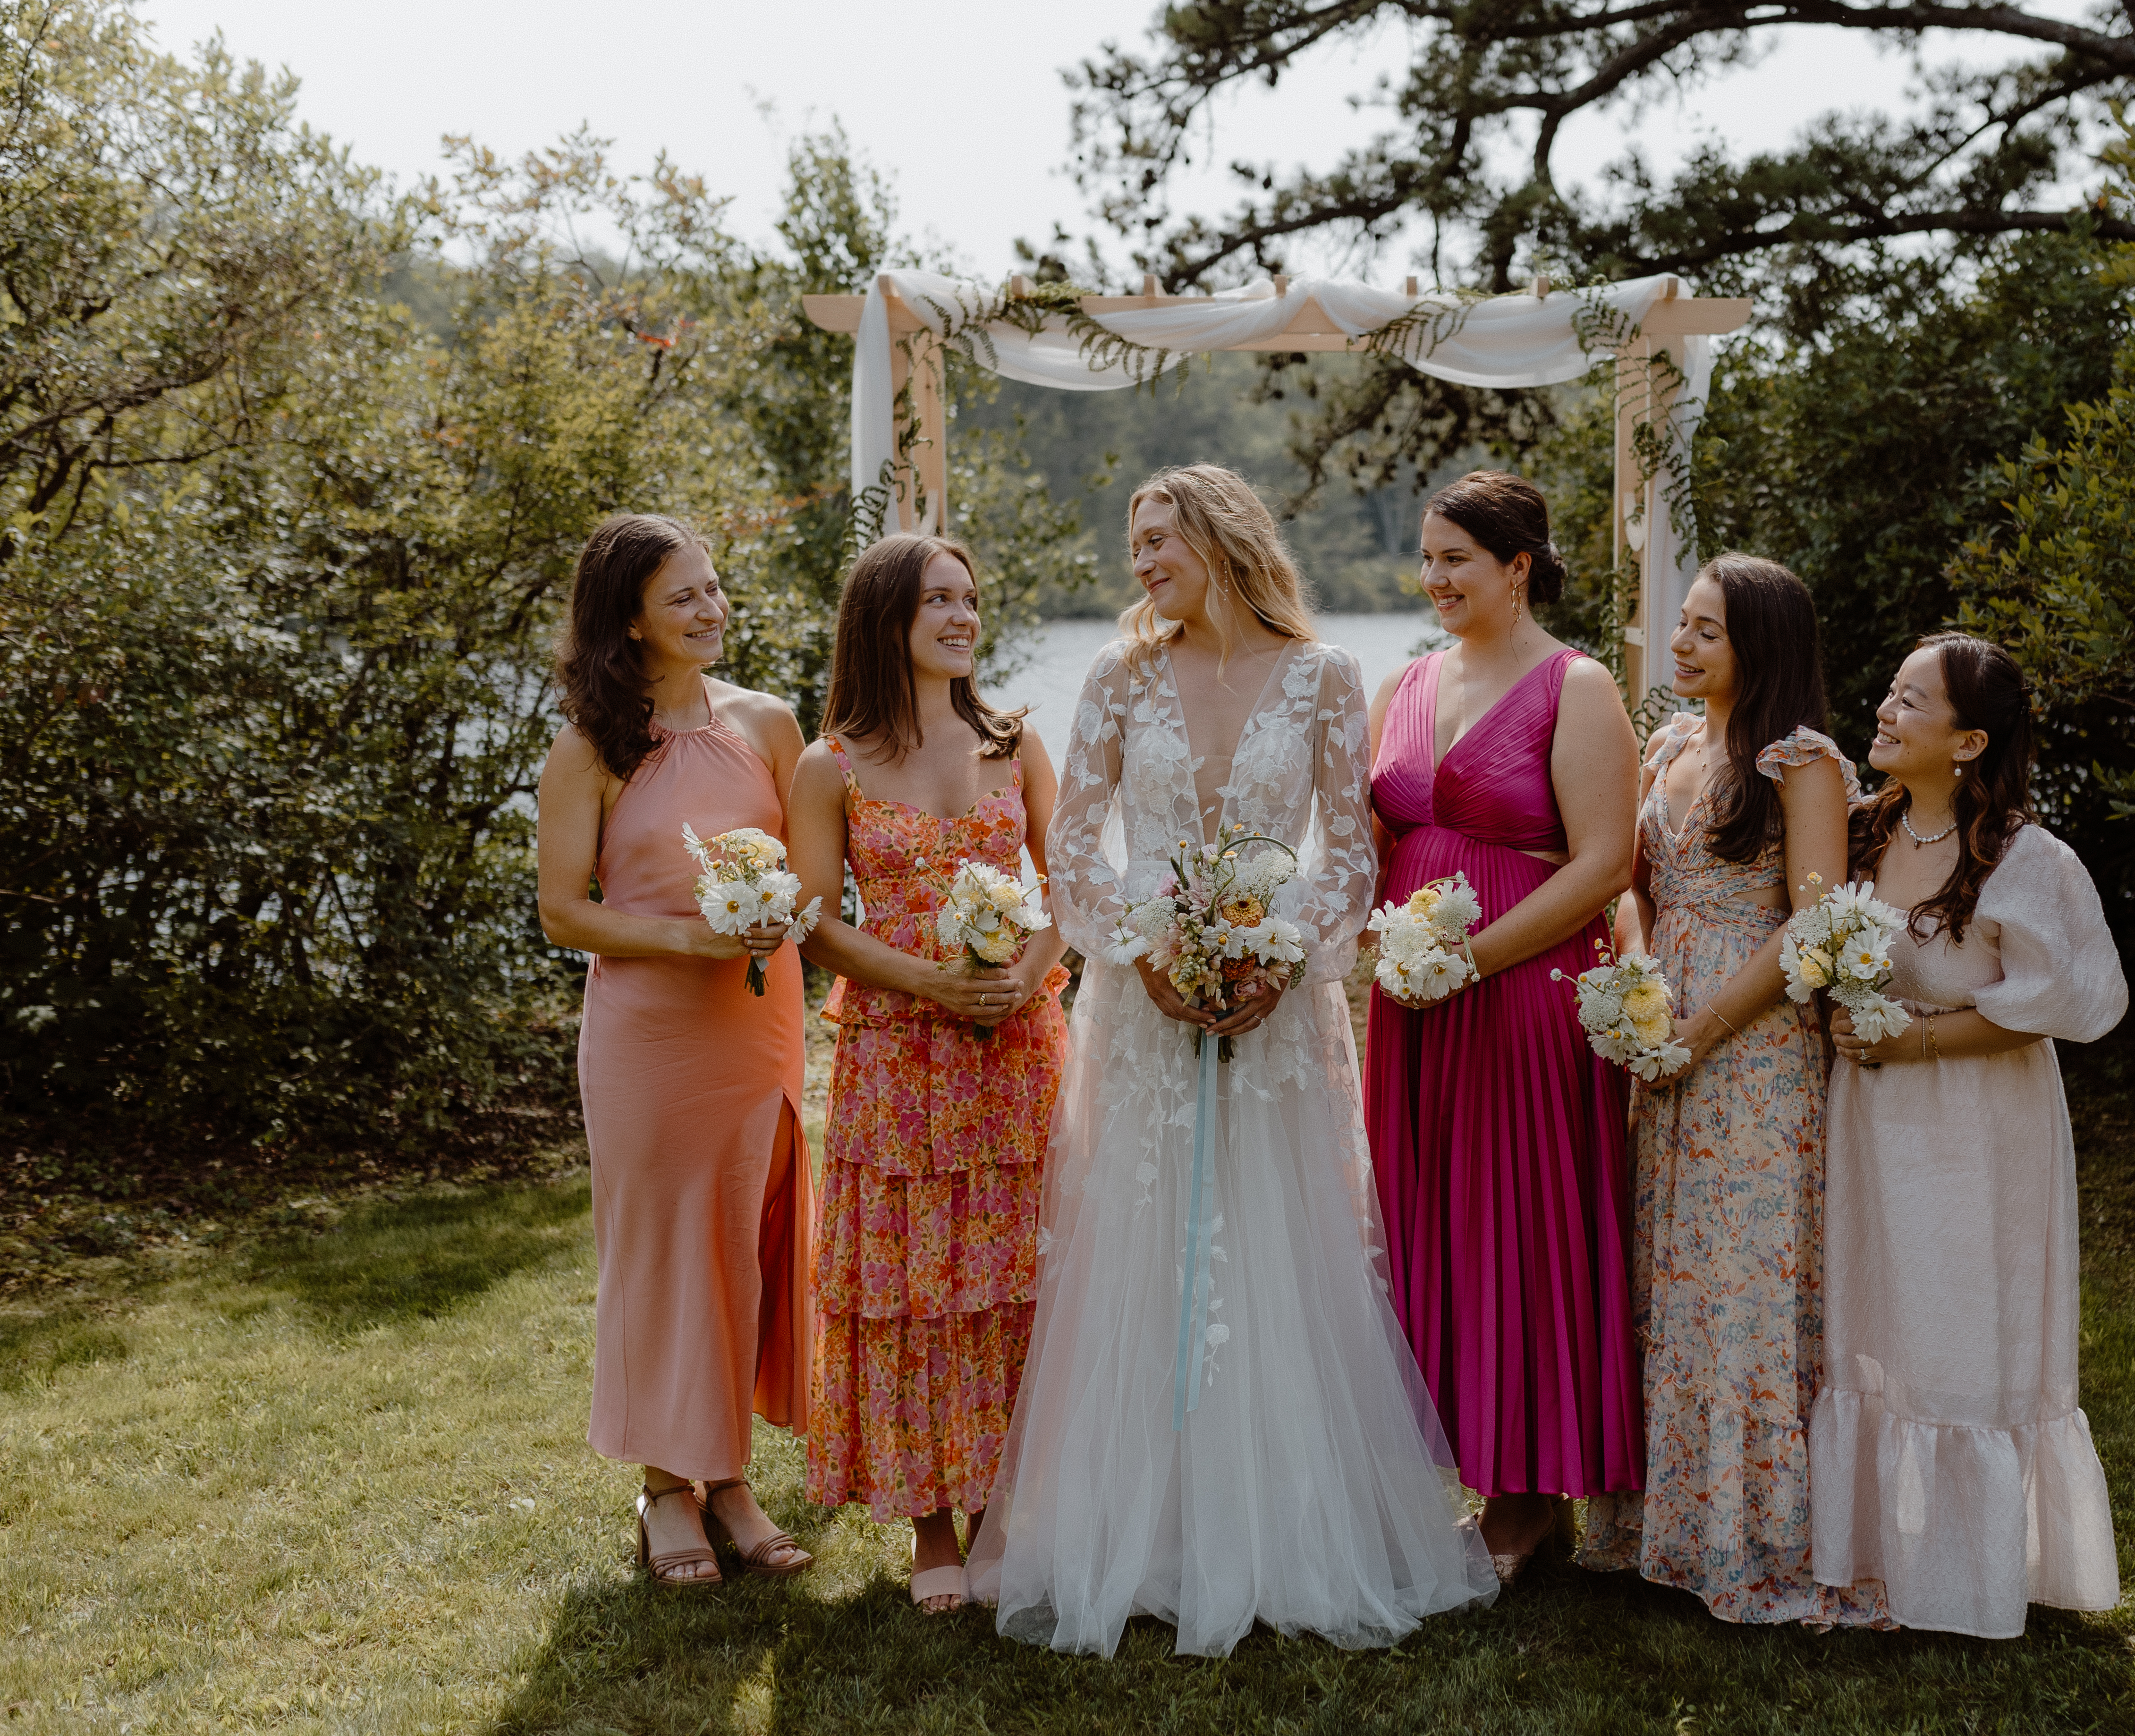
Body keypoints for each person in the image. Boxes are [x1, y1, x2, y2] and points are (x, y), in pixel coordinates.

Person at [968, 463, 1497, 1657]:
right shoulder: (1119, 675)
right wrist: (1147, 951)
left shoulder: (1323, 675)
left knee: (1275, 1246)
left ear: (1220, 538)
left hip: (1277, 1014)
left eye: (1160, 537)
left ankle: (1285, 1533)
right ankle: (1141, 1531)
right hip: (1141, 1010)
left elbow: (1351, 855)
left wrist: (1277, 955)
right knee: (1140, 1244)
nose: (1143, 560)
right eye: (1136, 541)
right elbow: (1074, 846)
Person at [1578, 557, 1891, 1627]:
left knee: (1739, 1278)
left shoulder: (1802, 763)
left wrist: (1703, 1030)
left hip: (1754, 1048)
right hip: (1660, 1032)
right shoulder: (1669, 743)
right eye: (1683, 625)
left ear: (1761, 644)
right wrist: (1637, 991)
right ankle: (1659, 1523)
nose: (1681, 644)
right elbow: (1632, 887)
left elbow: (1814, 926)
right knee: (1664, 1266)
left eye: (1706, 630)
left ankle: (1753, 1534)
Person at [1810, 631, 2128, 1638]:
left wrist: (1915, 1040)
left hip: (1978, 1129)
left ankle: (1972, 1576)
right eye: (1890, 691)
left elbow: (2068, 1001)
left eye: (1912, 701)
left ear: (1968, 741)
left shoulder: (2026, 860)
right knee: (1878, 1316)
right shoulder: (1856, 834)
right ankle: (1876, 1554)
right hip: (1869, 1121)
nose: (1885, 711)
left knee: (1959, 1326)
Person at [1363, 470, 1644, 1582]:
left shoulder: (1578, 687)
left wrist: (1469, 961)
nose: (1433, 579)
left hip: (1523, 992)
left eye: (1455, 560)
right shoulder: (1406, 682)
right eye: (1426, 558)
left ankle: (1530, 1497)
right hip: (1413, 1004)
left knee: (1517, 1223)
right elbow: (1373, 839)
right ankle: (1474, 1469)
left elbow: (1603, 863)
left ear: (1518, 567)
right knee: (1427, 1220)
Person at [785, 534, 1068, 1615]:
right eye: (936, 600)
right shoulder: (832, 764)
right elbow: (815, 921)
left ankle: (1005, 1505)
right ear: (885, 618)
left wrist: (1027, 977)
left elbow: (1068, 888)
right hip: (898, 1060)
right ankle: (931, 1524)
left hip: (1017, 1051)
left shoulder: (1015, 742)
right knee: (913, 1289)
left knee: (1017, 1279)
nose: (961, 617)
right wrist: (927, 983)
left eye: (969, 598)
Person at [534, 513, 815, 1587]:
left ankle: (729, 1477)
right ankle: (666, 1485)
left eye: (713, 587)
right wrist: (689, 939)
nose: (711, 609)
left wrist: (781, 917)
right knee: (662, 1249)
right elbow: (563, 911)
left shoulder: (770, 723)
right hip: (650, 1035)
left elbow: (812, 870)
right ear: (631, 623)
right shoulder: (590, 747)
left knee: (746, 1237)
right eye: (684, 597)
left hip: (759, 1024)